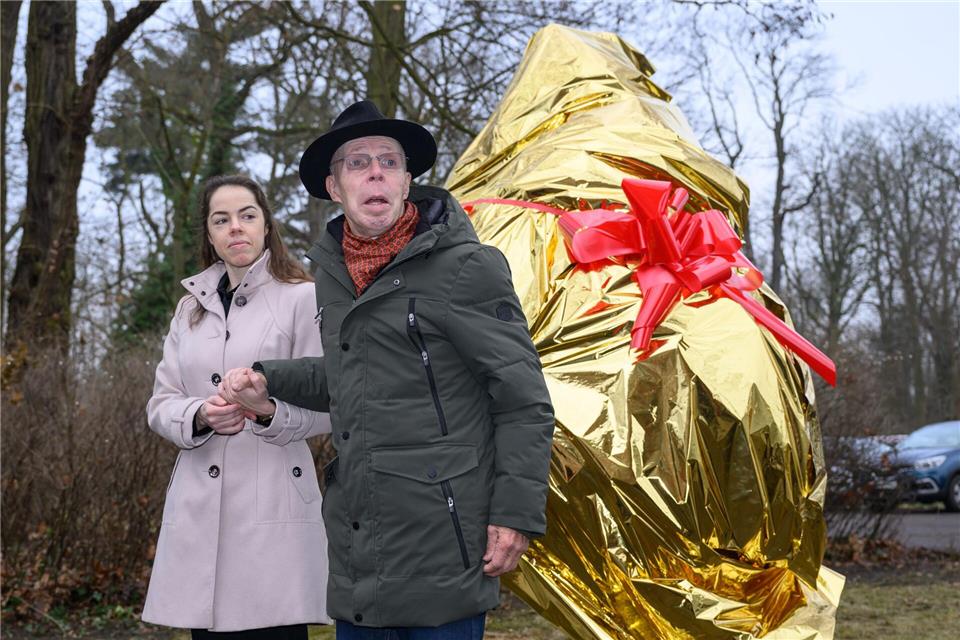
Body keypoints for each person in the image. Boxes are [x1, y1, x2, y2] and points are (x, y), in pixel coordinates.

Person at [220, 100, 555, 639]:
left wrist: (515, 514)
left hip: (444, 546)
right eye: (357, 162)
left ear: (406, 182)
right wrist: (270, 377)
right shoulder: (331, 278)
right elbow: (353, 376)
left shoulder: (467, 267)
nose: (375, 172)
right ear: (334, 187)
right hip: (360, 546)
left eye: (389, 161)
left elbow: (523, 401)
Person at [142, 175, 333, 639]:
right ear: (209, 236)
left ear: (266, 225)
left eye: (247, 215)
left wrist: (266, 411)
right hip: (198, 510)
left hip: (273, 509)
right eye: (220, 220)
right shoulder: (189, 309)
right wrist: (199, 415)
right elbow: (161, 403)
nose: (235, 228)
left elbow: (330, 404)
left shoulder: (302, 297)